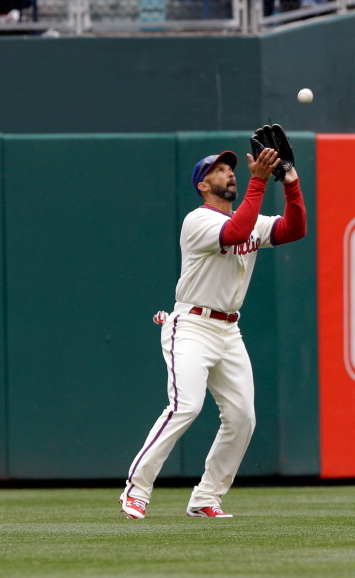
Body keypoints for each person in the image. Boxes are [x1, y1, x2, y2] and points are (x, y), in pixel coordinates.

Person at [120, 144, 306, 519]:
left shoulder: (249, 217)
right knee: (185, 406)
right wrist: (258, 181)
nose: (230, 173)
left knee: (242, 418)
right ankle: (137, 489)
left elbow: (294, 229)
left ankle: (206, 496)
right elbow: (235, 232)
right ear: (203, 185)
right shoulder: (198, 221)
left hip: (228, 331)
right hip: (191, 325)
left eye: (231, 169)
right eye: (220, 170)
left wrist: (290, 181)